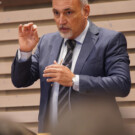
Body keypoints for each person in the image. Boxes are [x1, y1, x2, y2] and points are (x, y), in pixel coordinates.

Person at [11, 0, 131, 133]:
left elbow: (122, 84)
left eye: (68, 12)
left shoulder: (110, 40)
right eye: (56, 13)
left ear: (85, 11)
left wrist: (75, 80)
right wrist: (25, 52)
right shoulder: (46, 42)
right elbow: (20, 81)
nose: (61, 21)